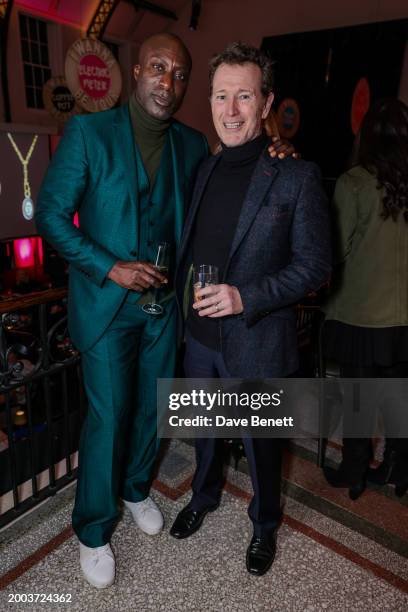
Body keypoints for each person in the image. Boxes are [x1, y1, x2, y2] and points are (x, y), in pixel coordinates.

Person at [35, 33, 294, 588]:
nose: (168, 82)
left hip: (163, 311)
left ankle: (134, 488)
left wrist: (277, 144)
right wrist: (110, 266)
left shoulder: (193, 144)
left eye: (179, 74)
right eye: (158, 67)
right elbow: (51, 216)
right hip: (107, 306)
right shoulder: (88, 132)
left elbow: (235, 171)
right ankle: (94, 528)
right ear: (135, 72)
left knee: (153, 410)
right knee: (109, 416)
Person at [170, 42, 331, 576]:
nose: (230, 109)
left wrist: (247, 297)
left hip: (258, 339)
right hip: (199, 337)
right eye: (221, 96)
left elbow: (316, 267)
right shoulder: (204, 171)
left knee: (262, 446)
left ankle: (264, 524)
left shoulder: (295, 175)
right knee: (206, 430)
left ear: (266, 104)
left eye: (244, 96)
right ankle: (205, 494)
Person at [322, 98, 408, 500]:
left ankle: (355, 471)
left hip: (360, 312)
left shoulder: (353, 182)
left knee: (359, 397)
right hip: (404, 316)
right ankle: (398, 467)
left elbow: (334, 251)